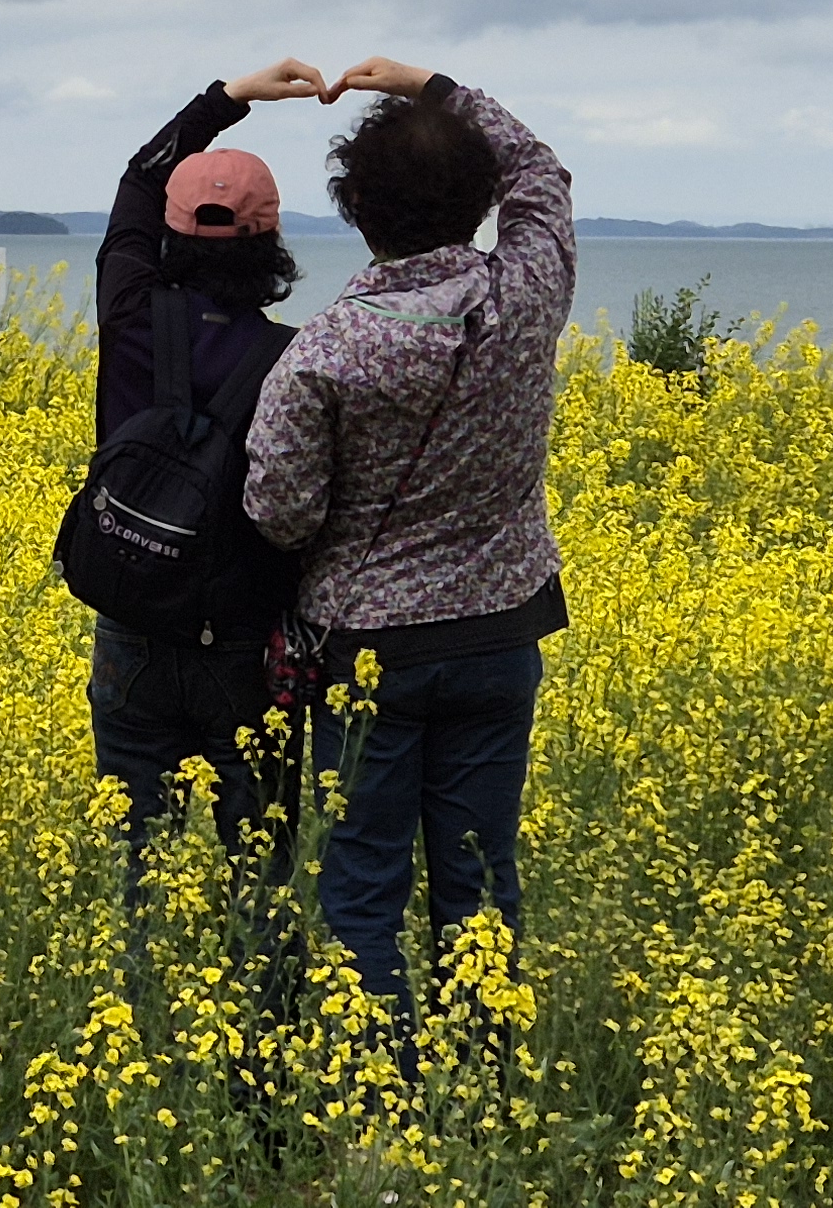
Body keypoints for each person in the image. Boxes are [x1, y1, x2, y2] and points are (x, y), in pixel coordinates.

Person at [241, 57, 574, 1020]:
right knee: (479, 878)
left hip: (370, 651)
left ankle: (377, 1108)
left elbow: (280, 512)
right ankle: (477, 1084)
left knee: (366, 884)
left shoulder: (328, 349)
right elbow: (542, 174)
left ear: (357, 212)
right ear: (476, 204)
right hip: (500, 636)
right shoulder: (525, 301)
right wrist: (435, 86)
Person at [86, 53, 330, 885]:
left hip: (131, 629)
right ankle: (267, 1014)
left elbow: (135, 182)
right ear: (271, 244)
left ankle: (137, 1010)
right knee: (259, 881)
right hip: (240, 650)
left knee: (136, 875)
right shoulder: (293, 362)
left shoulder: (125, 312)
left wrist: (224, 101)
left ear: (171, 232)